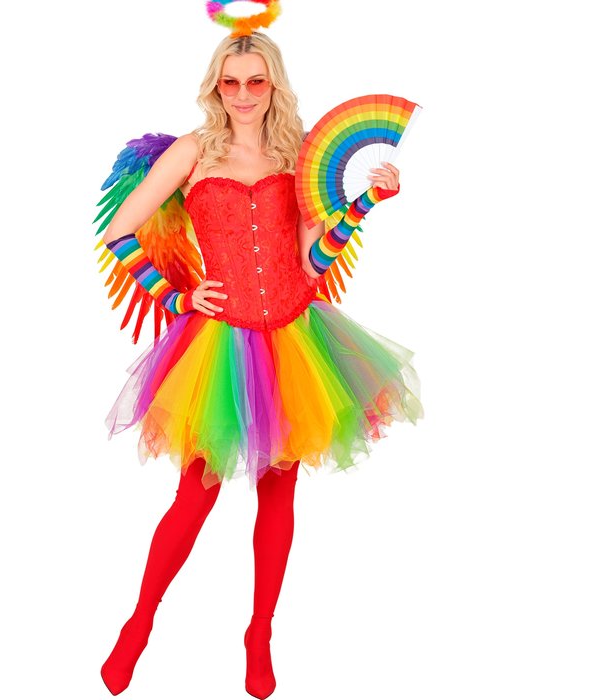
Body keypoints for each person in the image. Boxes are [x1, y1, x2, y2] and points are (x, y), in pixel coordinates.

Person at [98, 30, 423, 699]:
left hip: (295, 337)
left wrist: (363, 205)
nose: (243, 94)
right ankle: (139, 623)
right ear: (216, 86)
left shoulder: (296, 155)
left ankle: (259, 633)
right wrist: (177, 297)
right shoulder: (193, 152)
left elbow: (312, 260)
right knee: (195, 494)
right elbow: (118, 232)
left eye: (256, 81)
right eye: (231, 82)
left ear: (273, 85)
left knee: (280, 491)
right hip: (220, 345)